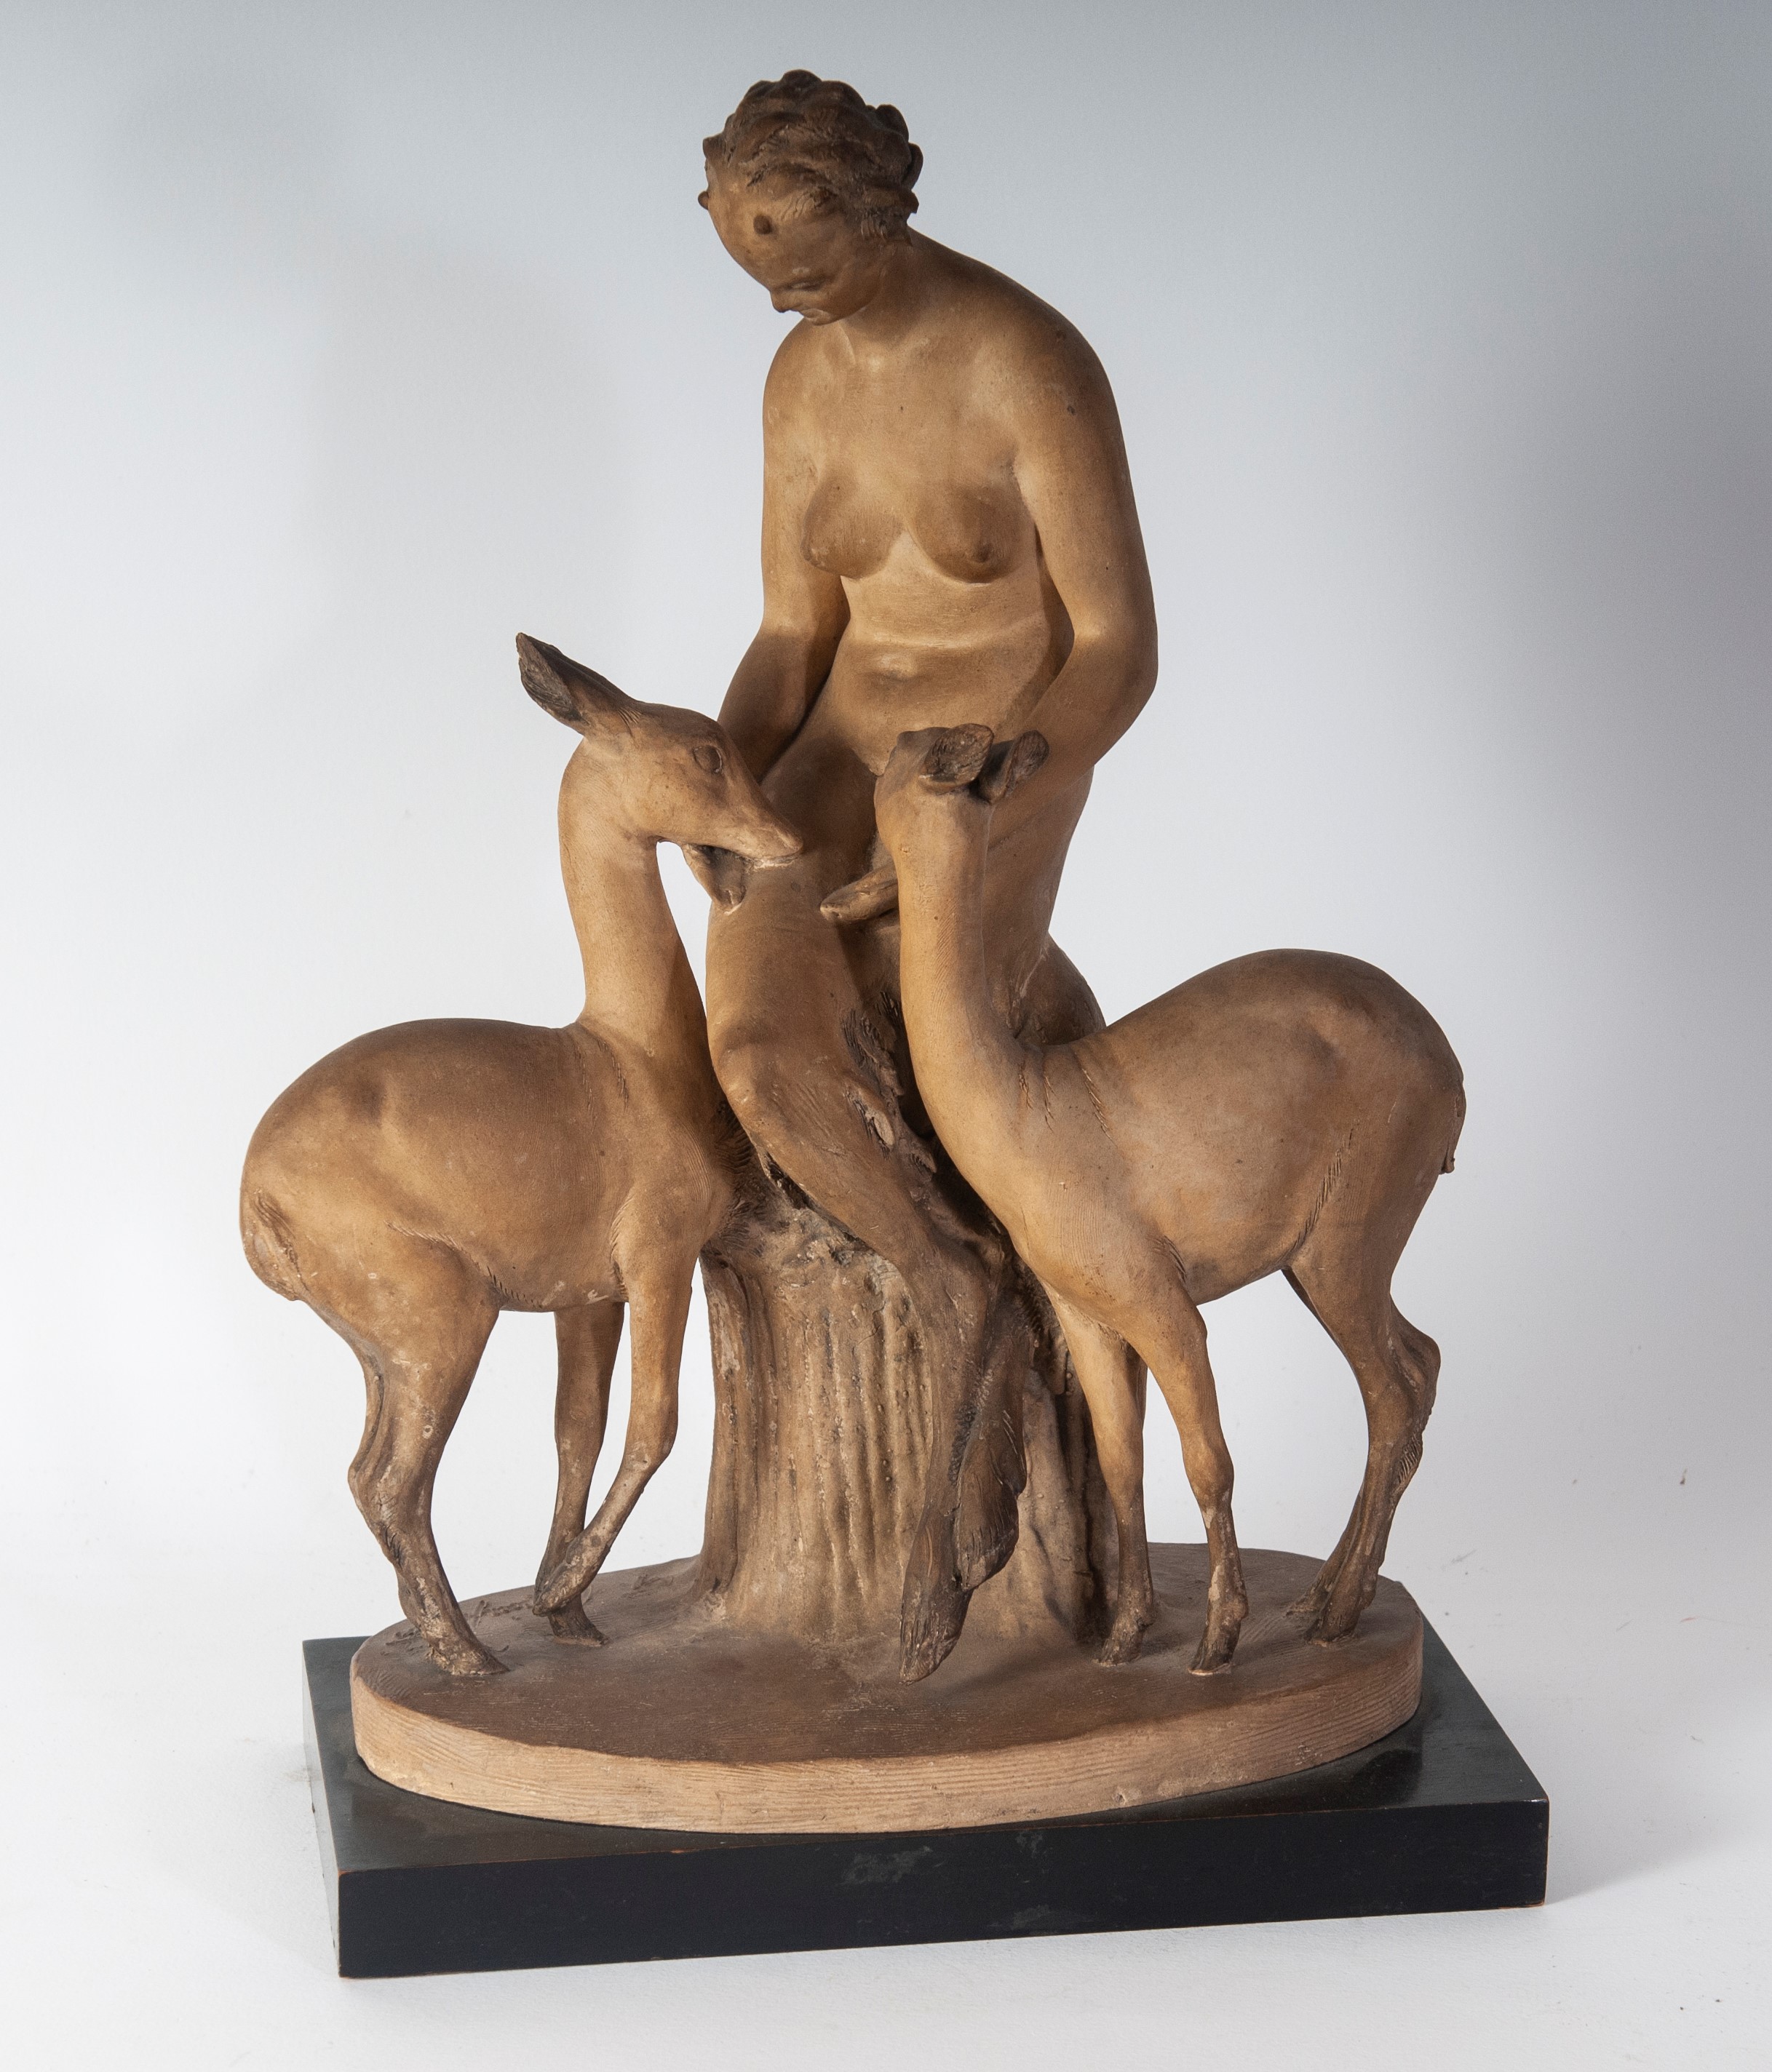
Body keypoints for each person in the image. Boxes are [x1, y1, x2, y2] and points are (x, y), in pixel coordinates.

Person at [699, 71, 1159, 1677]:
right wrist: (721, 779)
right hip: (836, 756)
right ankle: (940, 1280)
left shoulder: (1028, 363)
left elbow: (1117, 647)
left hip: (992, 761)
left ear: (878, 207)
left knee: (931, 1017)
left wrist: (1000, 789)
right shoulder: (797, 378)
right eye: (754, 267)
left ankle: (996, 1358)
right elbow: (793, 634)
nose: (781, 297)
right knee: (757, 1044)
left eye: (804, 262)